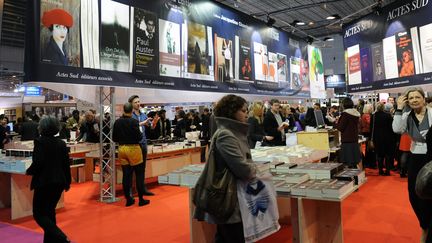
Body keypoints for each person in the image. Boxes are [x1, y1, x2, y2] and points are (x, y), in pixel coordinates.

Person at [194, 94, 257, 243]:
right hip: (229, 198)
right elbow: (244, 170)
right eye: (243, 110)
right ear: (231, 111)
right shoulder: (226, 135)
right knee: (232, 236)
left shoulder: (231, 132)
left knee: (224, 237)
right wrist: (254, 168)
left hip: (234, 196)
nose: (246, 113)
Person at [393, 87, 432, 242]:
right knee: (414, 194)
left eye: (417, 97)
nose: (414, 100)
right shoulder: (407, 115)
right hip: (415, 157)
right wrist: (399, 108)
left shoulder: (431, 113)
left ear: (423, 98)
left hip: (431, 156)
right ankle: (425, 225)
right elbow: (397, 129)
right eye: (411, 98)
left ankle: (428, 228)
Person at [26, 116, 71, 243]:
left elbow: (38, 162)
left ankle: (61, 237)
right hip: (59, 182)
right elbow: (65, 164)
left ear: (42, 127)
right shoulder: (61, 143)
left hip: (44, 182)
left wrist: (30, 171)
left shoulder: (40, 142)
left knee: (39, 214)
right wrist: (67, 182)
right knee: (50, 213)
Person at [113, 103, 150, 207]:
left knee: (126, 175)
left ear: (123, 110)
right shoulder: (134, 122)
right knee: (139, 174)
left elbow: (114, 138)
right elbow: (139, 137)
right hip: (133, 149)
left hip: (121, 149)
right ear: (131, 111)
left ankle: (128, 199)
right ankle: (141, 199)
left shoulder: (117, 122)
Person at [129, 95, 154, 196]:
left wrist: (153, 124)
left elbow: (149, 127)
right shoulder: (129, 116)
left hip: (143, 144)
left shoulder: (143, 115)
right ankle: (130, 191)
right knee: (132, 169)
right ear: (131, 104)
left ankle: (142, 189)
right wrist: (143, 123)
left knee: (142, 168)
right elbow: (132, 127)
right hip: (134, 145)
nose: (138, 104)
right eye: (136, 102)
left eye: (139, 102)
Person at [372, 103, 397, 175]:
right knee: (387, 155)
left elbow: (372, 128)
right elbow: (391, 128)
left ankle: (380, 170)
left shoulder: (373, 116)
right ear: (383, 108)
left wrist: (372, 139)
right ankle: (388, 171)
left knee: (379, 155)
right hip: (388, 138)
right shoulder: (388, 116)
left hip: (377, 138)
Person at [337, 98, 362, 168]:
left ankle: (351, 178)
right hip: (354, 139)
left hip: (347, 140)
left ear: (344, 105)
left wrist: (336, 122)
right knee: (354, 162)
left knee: (348, 163)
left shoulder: (345, 114)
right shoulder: (356, 114)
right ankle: (356, 177)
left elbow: (340, 127)